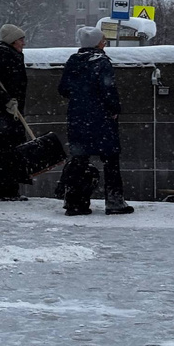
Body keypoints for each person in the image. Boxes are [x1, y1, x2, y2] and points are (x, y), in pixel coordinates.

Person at [57, 26, 134, 216]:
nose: (104, 43)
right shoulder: (101, 62)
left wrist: (79, 98)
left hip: (78, 118)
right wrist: (114, 109)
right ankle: (115, 202)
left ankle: (76, 203)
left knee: (79, 160)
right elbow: (109, 90)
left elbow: (63, 88)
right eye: (103, 40)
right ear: (97, 43)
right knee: (111, 160)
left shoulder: (73, 61)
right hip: (101, 119)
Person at [0, 24, 29, 201]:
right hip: (1, 114)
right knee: (4, 150)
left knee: (6, 150)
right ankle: (4, 189)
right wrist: (6, 100)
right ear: (12, 41)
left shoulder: (11, 55)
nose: (23, 43)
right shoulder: (3, 55)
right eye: (20, 39)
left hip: (10, 112)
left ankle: (3, 188)